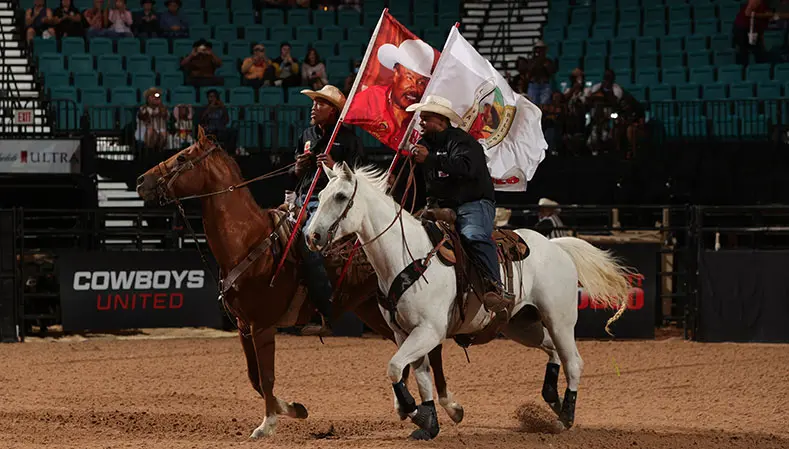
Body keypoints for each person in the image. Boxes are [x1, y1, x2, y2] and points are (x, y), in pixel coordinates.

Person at [406, 95, 513, 315]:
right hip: (438, 208)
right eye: (421, 118)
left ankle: (494, 285)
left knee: (473, 236)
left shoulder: (462, 141)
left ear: (442, 121)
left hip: (472, 204)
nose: (421, 122)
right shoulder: (423, 146)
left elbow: (466, 168)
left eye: (426, 118)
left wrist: (431, 158)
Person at [290, 85, 366, 336]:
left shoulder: (348, 140)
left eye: (321, 103)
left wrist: (335, 167)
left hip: (327, 204)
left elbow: (358, 179)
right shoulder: (307, 134)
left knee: (308, 244)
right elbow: (295, 171)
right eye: (314, 103)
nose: (314, 107)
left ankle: (327, 310)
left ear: (334, 111)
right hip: (302, 197)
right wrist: (299, 167)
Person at [345, 39, 435, 149]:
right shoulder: (370, 97)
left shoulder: (425, 113)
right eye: (409, 77)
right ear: (396, 73)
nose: (414, 88)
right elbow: (346, 115)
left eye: (421, 82)